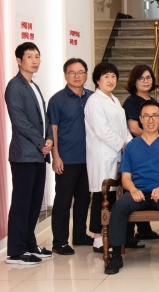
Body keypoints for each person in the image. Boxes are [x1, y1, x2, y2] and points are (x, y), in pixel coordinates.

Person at [104, 100, 159, 275]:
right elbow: (125, 178)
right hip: (138, 192)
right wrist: (132, 190)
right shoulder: (131, 146)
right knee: (119, 207)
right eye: (146, 116)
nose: (150, 120)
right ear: (140, 119)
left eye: (155, 116)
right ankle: (116, 255)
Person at [5, 42, 53, 264]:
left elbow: (42, 118)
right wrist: (41, 141)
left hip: (38, 153)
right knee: (22, 202)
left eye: (37, 56)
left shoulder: (33, 84)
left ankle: (29, 244)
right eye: (29, 57)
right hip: (24, 154)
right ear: (18, 60)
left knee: (35, 202)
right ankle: (15, 250)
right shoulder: (14, 86)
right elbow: (20, 122)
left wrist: (49, 140)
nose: (35, 61)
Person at [85, 62, 134, 253]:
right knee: (100, 195)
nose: (110, 80)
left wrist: (131, 146)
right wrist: (122, 144)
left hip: (116, 154)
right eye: (106, 76)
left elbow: (123, 129)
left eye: (113, 76)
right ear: (97, 80)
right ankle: (98, 238)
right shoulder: (94, 101)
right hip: (103, 155)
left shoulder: (114, 99)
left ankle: (109, 234)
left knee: (113, 195)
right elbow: (102, 130)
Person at [48, 58, 94, 255]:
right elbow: (53, 130)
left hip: (89, 159)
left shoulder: (92, 97)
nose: (77, 76)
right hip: (67, 158)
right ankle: (59, 241)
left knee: (84, 199)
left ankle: (80, 235)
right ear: (65, 75)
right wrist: (55, 156)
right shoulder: (57, 100)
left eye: (81, 72)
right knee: (63, 201)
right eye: (72, 72)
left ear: (86, 75)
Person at [122, 65, 159, 240]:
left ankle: (144, 230)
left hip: (156, 147)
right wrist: (151, 138)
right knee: (137, 186)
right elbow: (133, 128)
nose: (146, 81)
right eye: (141, 78)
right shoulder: (131, 101)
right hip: (140, 147)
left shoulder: (154, 101)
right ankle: (129, 236)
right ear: (134, 81)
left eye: (148, 78)